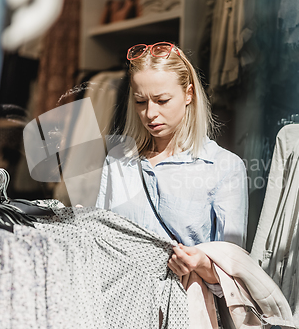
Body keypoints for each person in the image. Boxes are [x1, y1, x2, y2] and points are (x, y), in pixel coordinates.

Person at [96, 42, 248, 289]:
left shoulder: (223, 167)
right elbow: (100, 249)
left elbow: (233, 275)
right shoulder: (118, 161)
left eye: (162, 100)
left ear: (189, 94)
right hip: (121, 306)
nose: (150, 113)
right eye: (140, 101)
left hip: (187, 309)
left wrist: (200, 263)